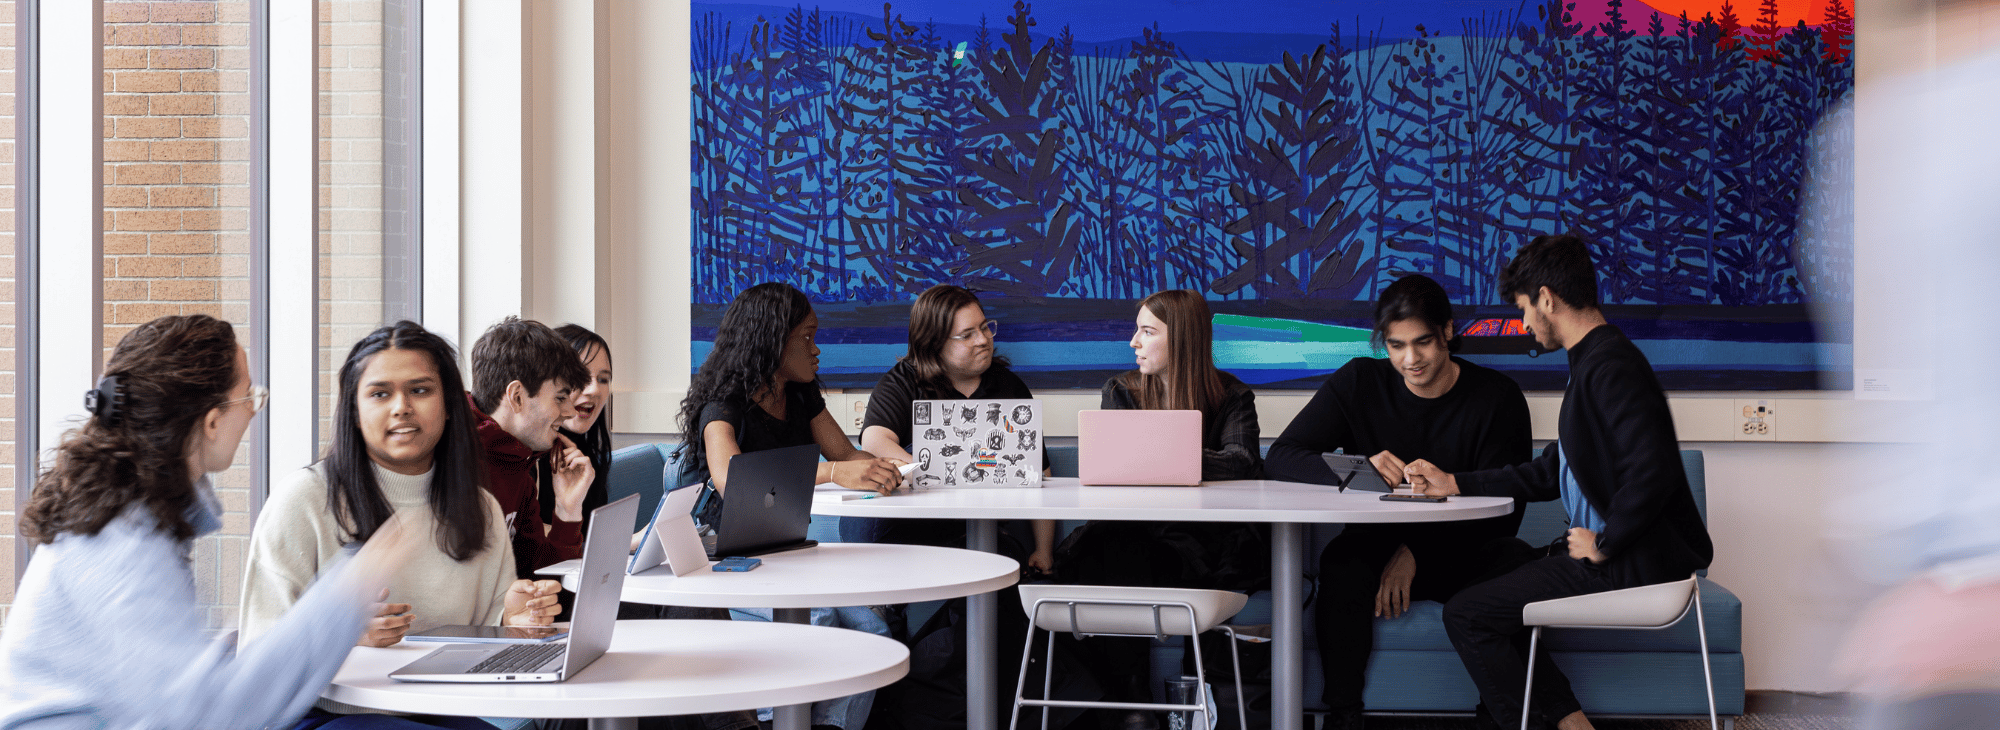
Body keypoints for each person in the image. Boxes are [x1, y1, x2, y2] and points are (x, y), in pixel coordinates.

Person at [2, 314, 412, 729]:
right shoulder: (125, 546)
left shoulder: (130, 522)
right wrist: (351, 588)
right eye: (249, 396)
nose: (254, 411)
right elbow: (207, 717)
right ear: (212, 421)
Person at [1402, 235, 1715, 730]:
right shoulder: (1593, 361)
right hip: (1609, 554)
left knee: (1467, 614)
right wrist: (1453, 482)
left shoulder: (1610, 366)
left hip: (1630, 564)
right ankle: (1568, 722)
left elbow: (1650, 470)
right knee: (1484, 566)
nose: (1524, 323)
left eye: (1525, 307)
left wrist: (1606, 544)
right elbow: (1550, 471)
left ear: (1547, 298)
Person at [240, 321, 565, 727]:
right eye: (379, 393)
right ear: (355, 412)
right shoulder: (303, 499)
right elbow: (256, 657)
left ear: (449, 407)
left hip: (437, 710)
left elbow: (481, 631)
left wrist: (512, 619)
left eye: (420, 390)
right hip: (324, 715)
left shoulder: (481, 507)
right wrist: (341, 631)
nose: (401, 407)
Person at [1263, 275, 1536, 730]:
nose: (1410, 359)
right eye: (1396, 345)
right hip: (1373, 543)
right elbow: (1283, 457)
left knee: (1515, 562)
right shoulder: (1359, 381)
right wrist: (1355, 464)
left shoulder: (1497, 398)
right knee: (1341, 564)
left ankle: (1501, 717)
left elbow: (1507, 511)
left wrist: (1415, 555)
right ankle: (1343, 717)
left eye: (1423, 342)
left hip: (1467, 547)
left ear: (1448, 331)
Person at [676, 282, 900, 730]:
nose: (817, 349)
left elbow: (845, 455)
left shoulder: (801, 393)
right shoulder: (723, 405)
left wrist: (890, 470)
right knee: (819, 621)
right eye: (807, 337)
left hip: (788, 551)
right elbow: (730, 478)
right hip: (727, 559)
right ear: (774, 339)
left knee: (874, 633)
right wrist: (833, 475)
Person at [1056, 290, 1265, 730]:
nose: (1134, 342)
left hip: (1205, 544)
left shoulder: (1232, 395)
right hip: (1137, 538)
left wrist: (1157, 453)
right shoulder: (1121, 390)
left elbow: (1243, 461)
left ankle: (1173, 699)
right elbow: (1112, 469)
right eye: (1137, 330)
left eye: (1147, 332)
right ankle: (1132, 696)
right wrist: (1172, 459)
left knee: (1124, 546)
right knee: (1114, 541)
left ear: (1183, 340)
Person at [849, 284, 1054, 566]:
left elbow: (1038, 471)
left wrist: (1044, 550)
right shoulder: (905, 380)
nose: (983, 340)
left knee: (1004, 563)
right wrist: (935, 478)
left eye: (985, 328)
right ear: (935, 344)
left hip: (982, 526)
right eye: (967, 335)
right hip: (914, 524)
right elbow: (873, 441)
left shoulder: (1009, 386)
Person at [467, 316, 596, 578]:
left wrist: (567, 510)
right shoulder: (447, 458)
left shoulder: (520, 464)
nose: (570, 411)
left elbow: (539, 580)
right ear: (516, 397)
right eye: (560, 397)